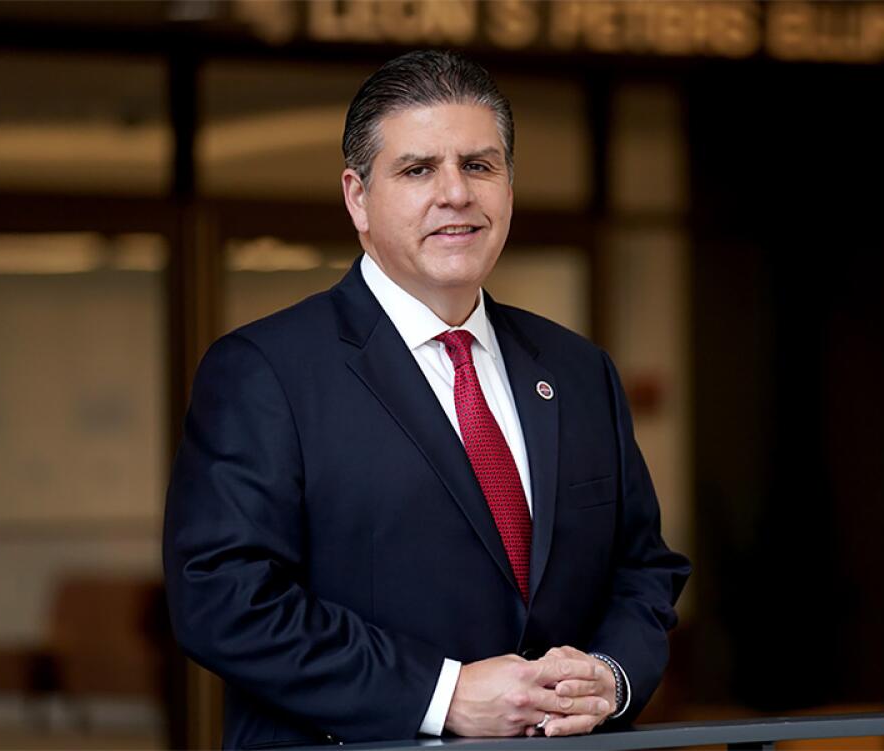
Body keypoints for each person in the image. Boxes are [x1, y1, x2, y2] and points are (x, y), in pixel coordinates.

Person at [163, 49, 690, 749]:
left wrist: (611, 673)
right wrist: (442, 694)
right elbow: (223, 599)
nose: (457, 194)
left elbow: (643, 566)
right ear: (357, 196)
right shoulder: (267, 371)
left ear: (508, 184)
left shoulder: (577, 368)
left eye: (479, 165)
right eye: (418, 169)